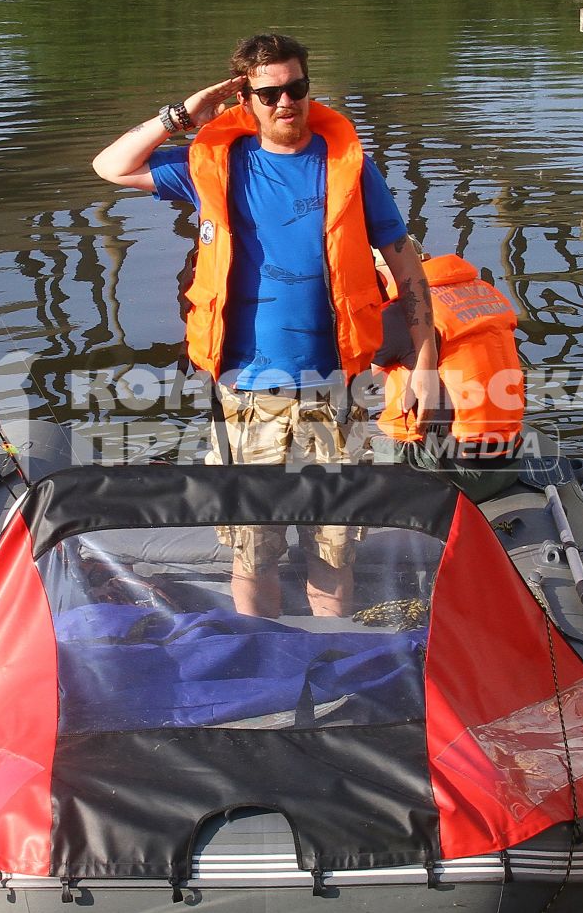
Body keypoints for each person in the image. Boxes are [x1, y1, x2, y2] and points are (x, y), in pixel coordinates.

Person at [92, 32, 437, 617]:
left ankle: (338, 670)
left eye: (296, 89)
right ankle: (267, 662)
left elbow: (407, 270)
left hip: (337, 392)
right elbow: (111, 167)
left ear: (308, 90)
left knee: (334, 552)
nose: (286, 103)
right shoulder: (213, 164)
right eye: (269, 92)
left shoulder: (349, 166)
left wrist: (425, 366)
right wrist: (182, 115)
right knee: (253, 555)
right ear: (245, 98)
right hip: (247, 394)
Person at [373, 245, 527, 502]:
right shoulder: (485, 291)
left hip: (452, 473)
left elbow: (349, 370)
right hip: (508, 461)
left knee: (346, 438)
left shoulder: (401, 313)